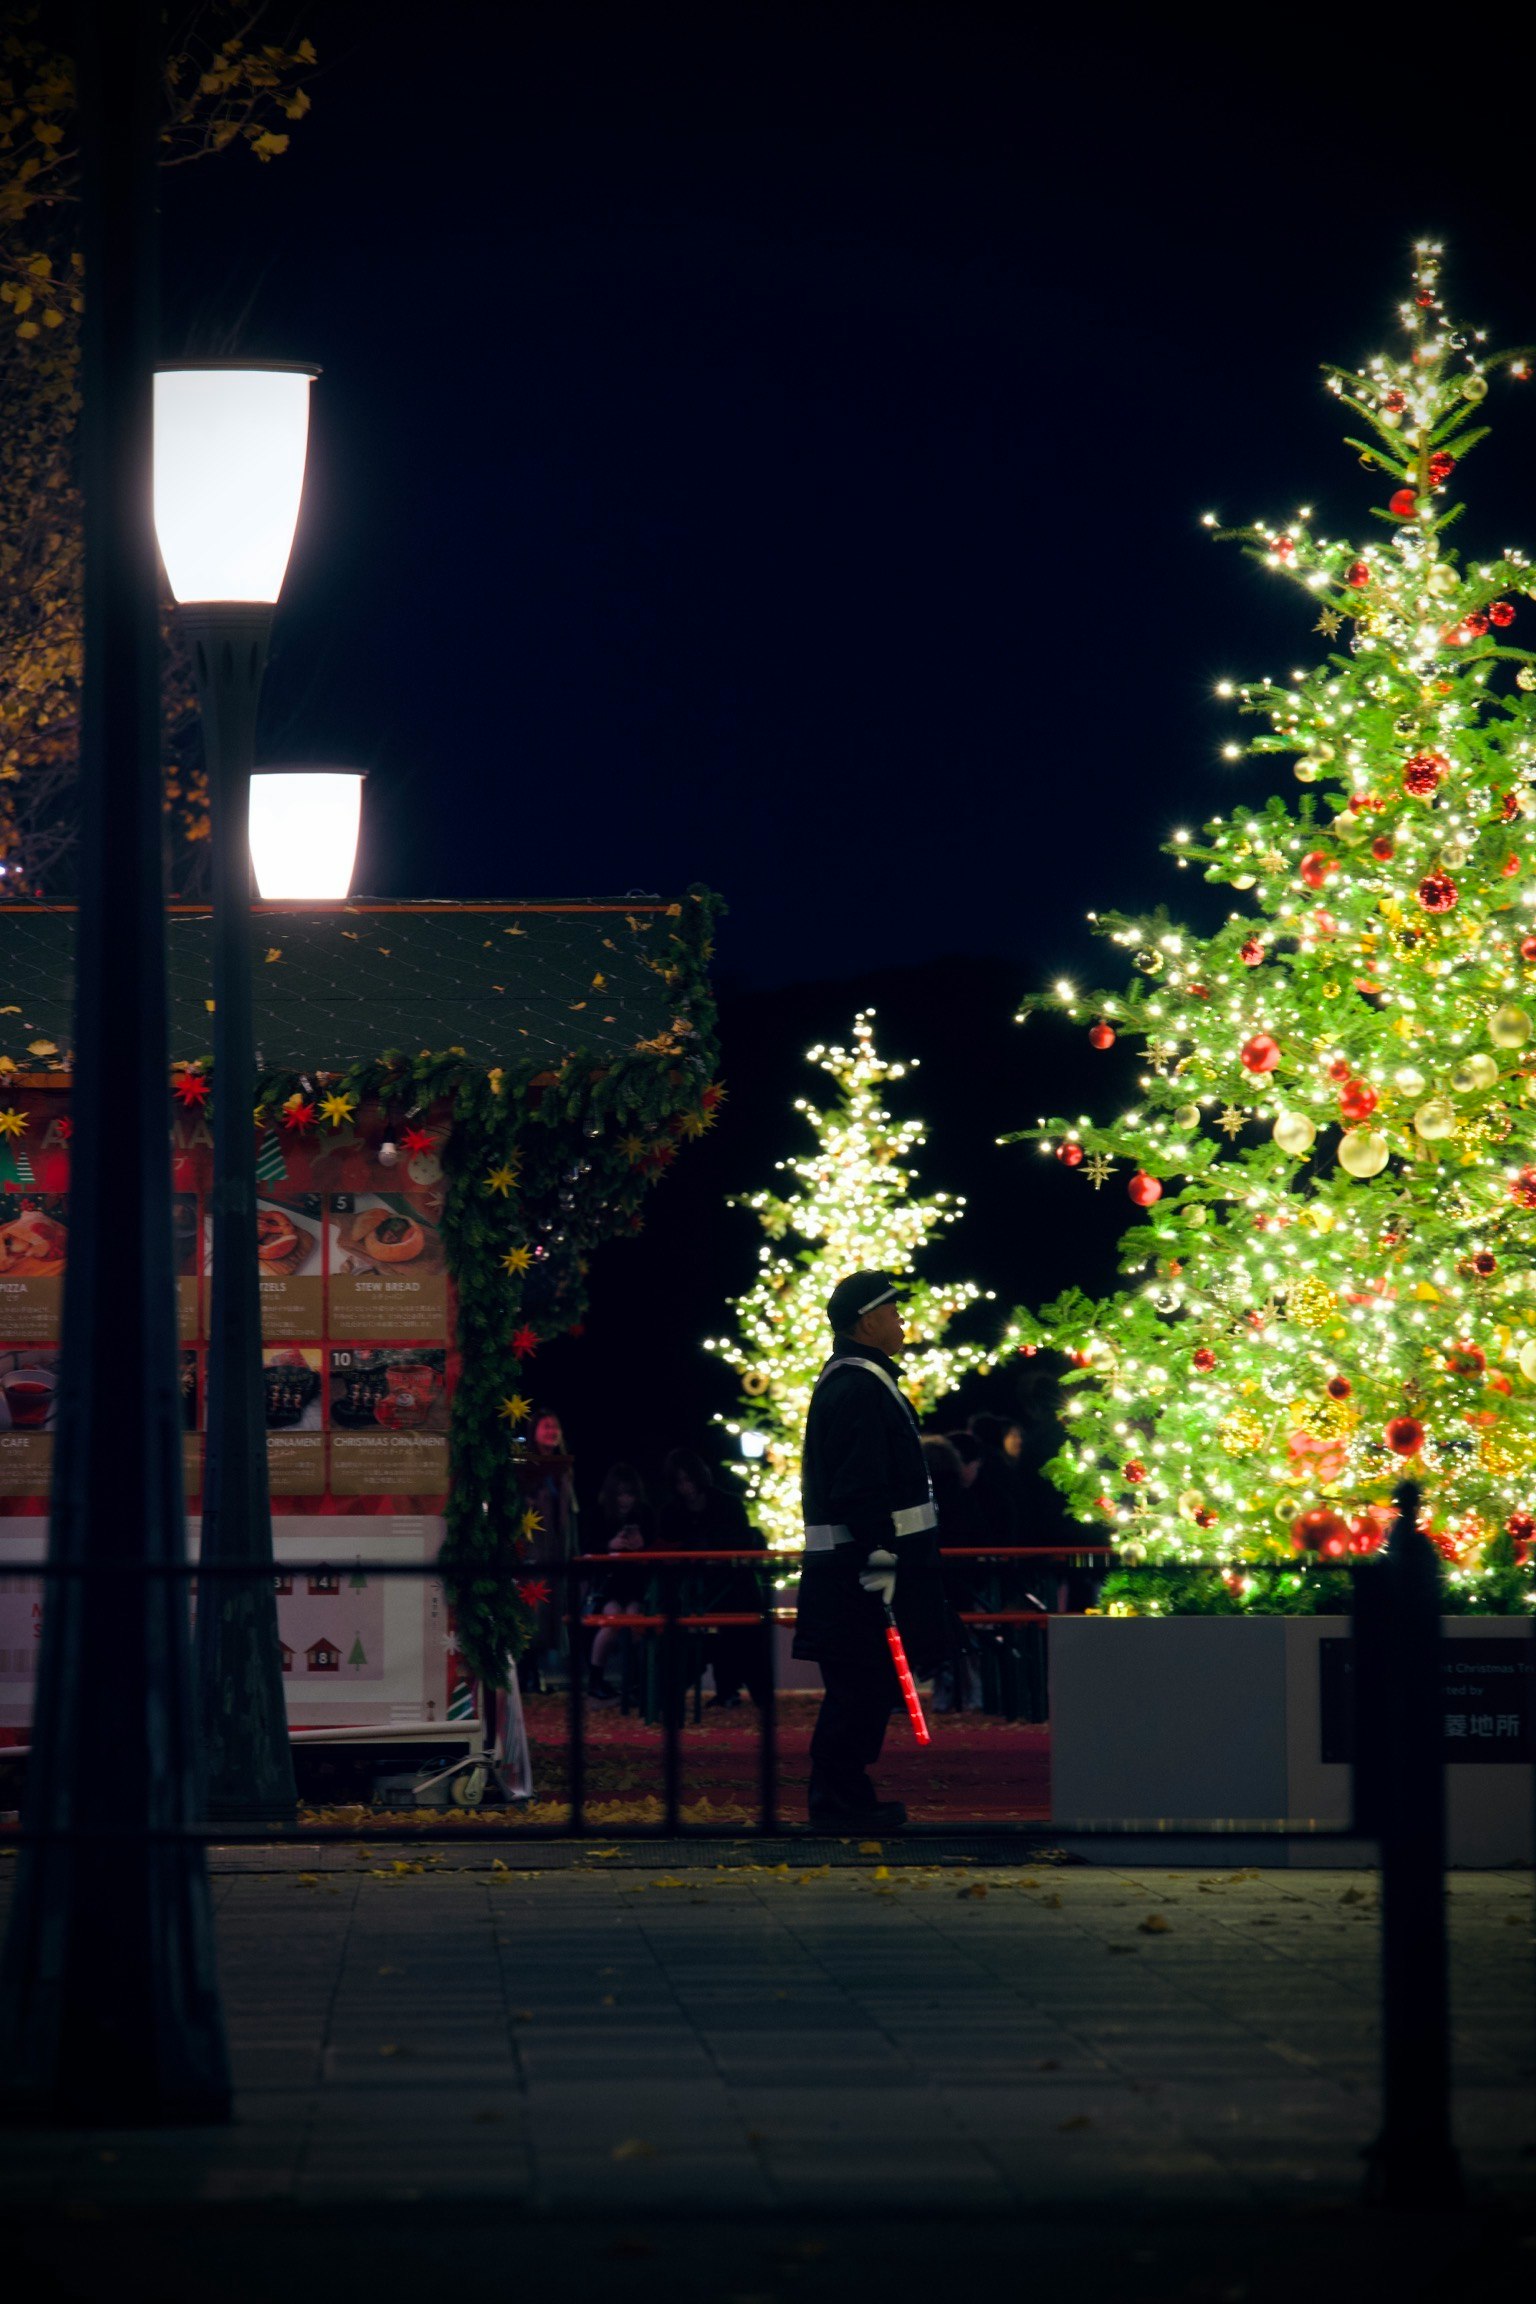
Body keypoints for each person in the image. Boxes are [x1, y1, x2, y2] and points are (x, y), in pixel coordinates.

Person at [794, 1269, 948, 1830]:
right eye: (893, 1311)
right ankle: (837, 1799)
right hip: (862, 1574)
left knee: (862, 1685)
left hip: (855, 1571)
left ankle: (845, 1795)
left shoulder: (855, 1381)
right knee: (861, 1686)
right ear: (867, 1321)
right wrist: (881, 1560)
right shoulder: (859, 1386)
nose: (902, 1320)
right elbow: (861, 1488)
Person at [657, 1449, 767, 1706]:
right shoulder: (672, 1512)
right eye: (680, 1481)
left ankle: (735, 1688)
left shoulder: (727, 1504)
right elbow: (669, 1548)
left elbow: (742, 1542)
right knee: (694, 1632)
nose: (686, 1487)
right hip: (693, 1589)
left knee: (739, 1625)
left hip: (730, 1584)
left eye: (689, 1479)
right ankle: (720, 1689)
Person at [587, 1461, 652, 1701]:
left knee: (635, 1622)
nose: (626, 1500)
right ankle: (596, 1680)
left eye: (630, 1494)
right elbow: (589, 1547)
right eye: (621, 1494)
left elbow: (656, 1546)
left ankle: (636, 1682)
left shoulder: (645, 1515)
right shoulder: (599, 1514)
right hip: (609, 1583)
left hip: (637, 1582)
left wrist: (642, 1545)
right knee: (612, 1621)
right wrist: (609, 1546)